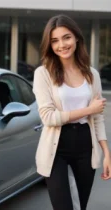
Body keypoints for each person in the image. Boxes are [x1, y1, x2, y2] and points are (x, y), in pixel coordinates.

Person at [32, 14, 111, 210]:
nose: (61, 45)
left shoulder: (92, 74)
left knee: (79, 206)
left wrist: (106, 152)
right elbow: (49, 117)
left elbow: (98, 116)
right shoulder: (43, 74)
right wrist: (88, 109)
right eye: (55, 40)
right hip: (56, 148)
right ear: (49, 45)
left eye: (66, 37)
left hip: (86, 145)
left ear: (76, 37)